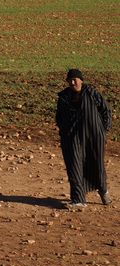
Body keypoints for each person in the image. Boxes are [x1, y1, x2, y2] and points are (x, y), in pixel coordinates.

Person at [55, 68, 111, 209]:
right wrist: (64, 131)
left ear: (81, 80)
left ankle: (103, 191)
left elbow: (105, 110)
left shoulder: (92, 93)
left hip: (94, 136)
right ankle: (78, 200)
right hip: (72, 138)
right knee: (74, 166)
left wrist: (103, 130)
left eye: (75, 79)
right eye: (70, 80)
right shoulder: (64, 97)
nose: (73, 82)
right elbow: (59, 116)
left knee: (97, 165)